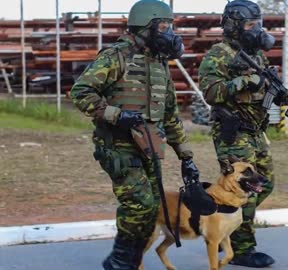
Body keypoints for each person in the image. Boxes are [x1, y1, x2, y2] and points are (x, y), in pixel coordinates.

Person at [70, 1, 215, 269]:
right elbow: (81, 93)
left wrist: (186, 156)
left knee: (151, 207)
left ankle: (129, 260)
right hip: (117, 145)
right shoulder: (116, 56)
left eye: (171, 26)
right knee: (140, 204)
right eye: (163, 26)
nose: (169, 32)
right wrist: (116, 115)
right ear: (145, 27)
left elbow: (170, 114)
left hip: (148, 145)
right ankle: (120, 261)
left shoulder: (160, 63)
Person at [198, 0, 276, 267]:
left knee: (266, 183)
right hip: (232, 132)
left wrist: (276, 91)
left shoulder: (256, 54)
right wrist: (243, 81)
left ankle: (223, 232)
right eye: (250, 25)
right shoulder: (218, 54)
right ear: (234, 25)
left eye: (258, 24)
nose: (256, 30)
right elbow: (210, 93)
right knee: (248, 189)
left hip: (255, 131)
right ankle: (242, 250)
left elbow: (261, 88)